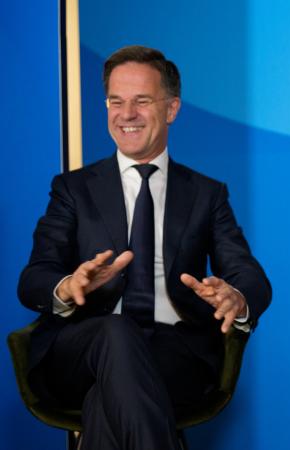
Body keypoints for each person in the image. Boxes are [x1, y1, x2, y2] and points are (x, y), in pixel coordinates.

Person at [18, 45, 271, 449]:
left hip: (176, 354)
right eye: (116, 102)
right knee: (116, 333)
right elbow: (33, 278)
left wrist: (236, 297)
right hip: (82, 351)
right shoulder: (73, 190)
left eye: (142, 101)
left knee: (110, 399)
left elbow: (248, 273)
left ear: (171, 109)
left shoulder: (206, 194)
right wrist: (67, 286)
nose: (126, 114)